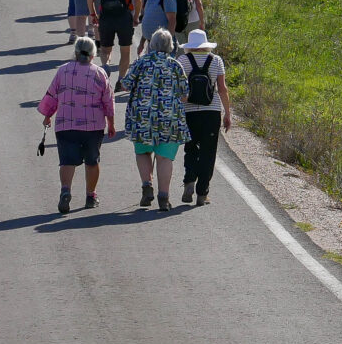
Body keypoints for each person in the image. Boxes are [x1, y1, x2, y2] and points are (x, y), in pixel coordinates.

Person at [37, 35, 116, 212]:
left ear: (75, 52)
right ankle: (91, 196)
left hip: (66, 124)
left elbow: (52, 94)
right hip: (93, 127)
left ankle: (65, 191)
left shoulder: (63, 71)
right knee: (92, 161)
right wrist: (111, 123)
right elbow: (108, 101)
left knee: (67, 161)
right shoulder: (99, 73)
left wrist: (48, 116)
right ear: (93, 55)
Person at [120, 29, 190, 210]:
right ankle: (164, 197)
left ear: (151, 45)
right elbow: (185, 94)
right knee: (164, 158)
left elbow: (125, 85)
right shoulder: (175, 65)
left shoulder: (141, 62)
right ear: (171, 46)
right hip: (169, 118)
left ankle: (147, 187)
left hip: (142, 117)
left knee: (143, 153)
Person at [179, 28, 231, 206]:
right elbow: (222, 89)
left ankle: (189, 180)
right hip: (212, 110)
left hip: (189, 111)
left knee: (190, 147)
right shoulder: (216, 60)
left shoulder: (182, 60)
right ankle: (202, 193)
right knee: (208, 152)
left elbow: (179, 88)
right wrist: (227, 113)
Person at [87, 0, 141, 84]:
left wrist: (93, 14)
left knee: (105, 49)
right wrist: (135, 17)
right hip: (124, 18)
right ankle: (121, 80)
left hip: (106, 17)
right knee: (125, 51)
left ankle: (105, 66)